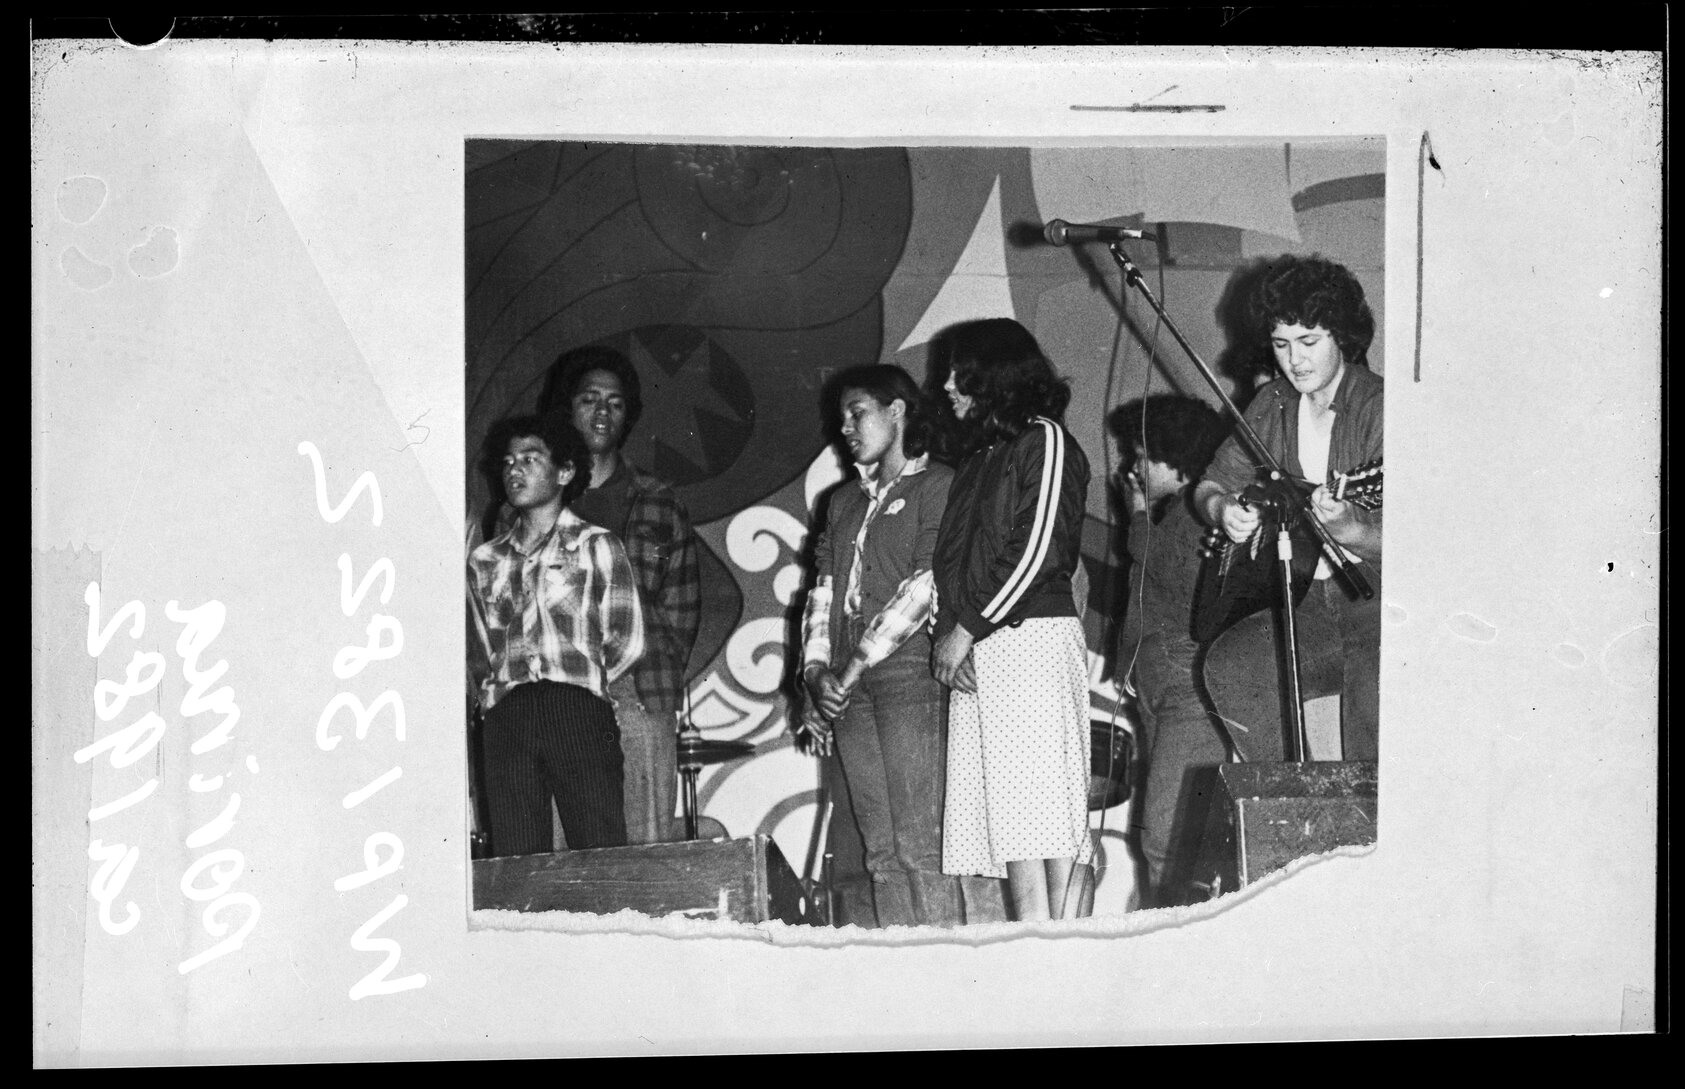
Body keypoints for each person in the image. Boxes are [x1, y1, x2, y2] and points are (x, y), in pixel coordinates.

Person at [928, 318, 1096, 922]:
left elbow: (1037, 551)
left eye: (959, 370)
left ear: (994, 372)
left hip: (1032, 643)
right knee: (1016, 828)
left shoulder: (1045, 441)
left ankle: (1071, 959)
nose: (946, 384)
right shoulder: (980, 457)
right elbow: (951, 560)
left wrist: (966, 628)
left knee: (1053, 821)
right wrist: (955, 637)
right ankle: (1033, 952)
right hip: (983, 647)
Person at [1194, 255, 1382, 763]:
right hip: (1307, 598)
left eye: (1309, 341)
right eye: (1281, 344)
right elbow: (1211, 483)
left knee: (1375, 728)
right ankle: (1290, 808)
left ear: (1341, 336)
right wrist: (1222, 509)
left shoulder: (1383, 408)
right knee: (1231, 666)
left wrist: (1353, 529)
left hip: (1382, 603)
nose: (1294, 360)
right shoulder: (1272, 403)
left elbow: (1426, 540)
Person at [795, 365, 964, 928]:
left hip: (909, 676)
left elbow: (925, 584)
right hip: (849, 686)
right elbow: (822, 589)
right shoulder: (841, 502)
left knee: (921, 845)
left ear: (897, 411)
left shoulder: (938, 484)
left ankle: (944, 972)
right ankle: (905, 975)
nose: (845, 426)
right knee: (880, 853)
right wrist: (816, 672)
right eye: (842, 416)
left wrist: (852, 666)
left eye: (857, 412)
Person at [535, 346, 702, 845]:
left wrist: (646, 673)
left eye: (615, 402)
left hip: (637, 695)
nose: (602, 412)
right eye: (589, 399)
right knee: (565, 861)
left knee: (642, 858)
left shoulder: (657, 499)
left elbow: (683, 607)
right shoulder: (535, 500)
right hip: (558, 698)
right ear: (568, 408)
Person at [467, 414, 645, 856]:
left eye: (530, 459)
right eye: (508, 461)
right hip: (508, 715)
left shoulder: (597, 545)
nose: (515, 469)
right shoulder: (485, 560)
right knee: (517, 860)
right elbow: (482, 647)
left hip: (577, 709)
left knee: (598, 852)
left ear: (565, 472)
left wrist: (582, 684)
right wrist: (502, 695)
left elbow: (627, 638)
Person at [1109, 394, 1231, 907]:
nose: (1132, 469)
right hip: (1159, 694)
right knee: (1162, 840)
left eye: (1141, 455)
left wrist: (1137, 517)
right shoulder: (1167, 518)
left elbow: (1174, 576)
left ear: (1173, 456)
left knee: (1168, 838)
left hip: (1188, 693)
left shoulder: (1196, 515)